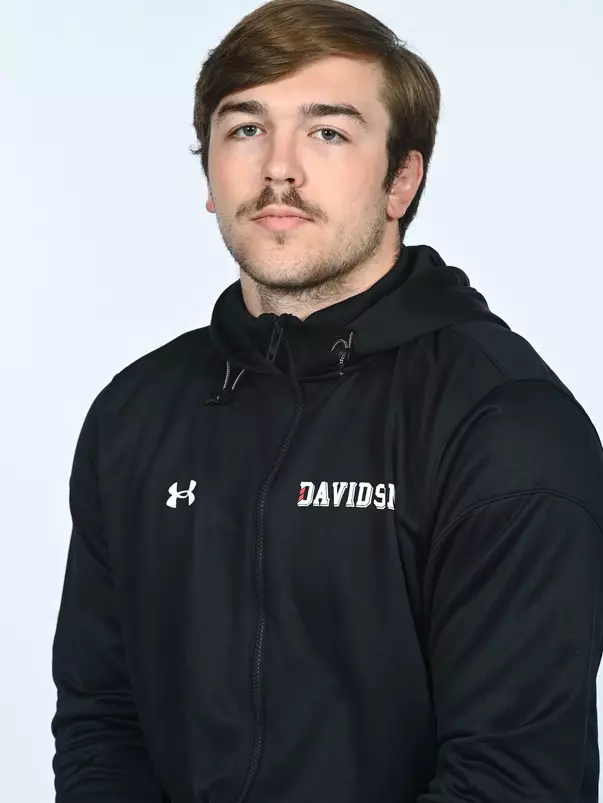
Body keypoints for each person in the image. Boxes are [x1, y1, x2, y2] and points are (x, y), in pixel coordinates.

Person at [50, 0, 603, 801]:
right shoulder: (135, 414)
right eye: (245, 129)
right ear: (207, 168)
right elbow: (102, 721)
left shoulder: (504, 425)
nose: (279, 168)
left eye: (327, 132)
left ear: (401, 180)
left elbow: (515, 779)